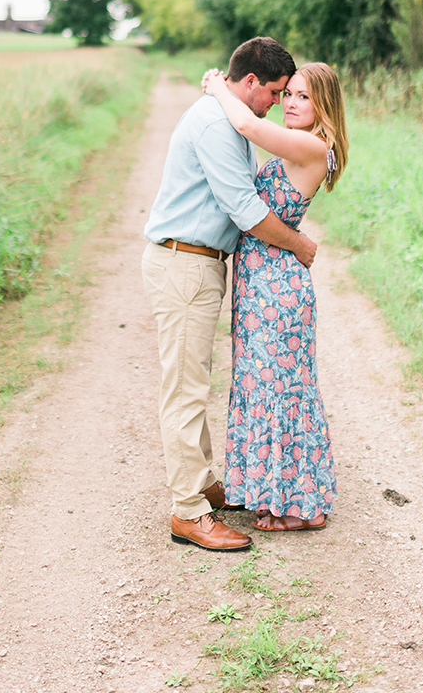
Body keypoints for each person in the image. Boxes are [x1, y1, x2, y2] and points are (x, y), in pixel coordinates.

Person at [142, 37, 318, 552]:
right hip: (185, 263)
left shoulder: (225, 112)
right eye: (275, 92)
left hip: (196, 263)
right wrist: (300, 246)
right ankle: (188, 512)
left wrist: (218, 90)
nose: (277, 104)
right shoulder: (222, 122)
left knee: (193, 381)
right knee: (185, 389)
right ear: (249, 84)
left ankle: (202, 484)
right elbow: (243, 207)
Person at [202, 61, 348, 532]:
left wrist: (217, 86)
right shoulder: (296, 146)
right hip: (259, 285)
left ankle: (303, 507)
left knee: (281, 390)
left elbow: (245, 122)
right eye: (288, 94)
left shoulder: (312, 146)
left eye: (303, 96)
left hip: (279, 288)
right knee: (260, 386)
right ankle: (270, 491)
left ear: (322, 105)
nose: (290, 102)